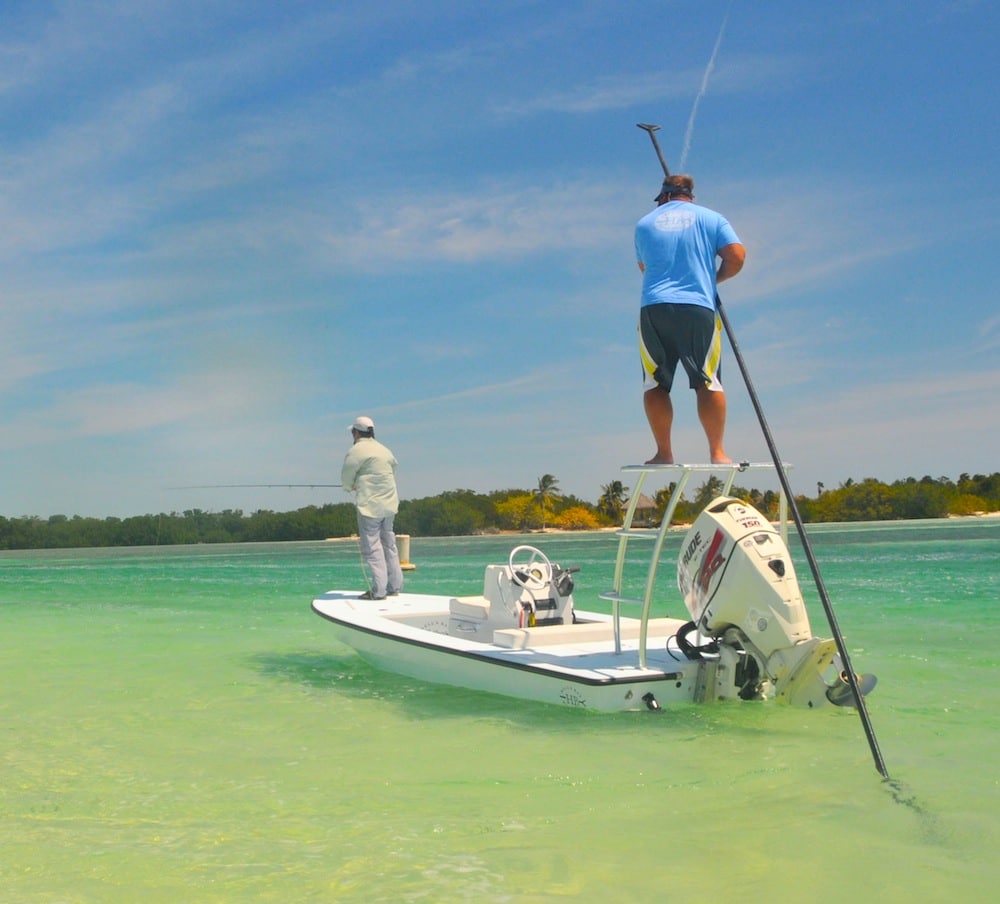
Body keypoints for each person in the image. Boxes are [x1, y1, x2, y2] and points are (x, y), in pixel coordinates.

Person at [634, 173, 746, 464]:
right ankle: (717, 453)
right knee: (708, 381)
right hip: (697, 306)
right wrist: (714, 279)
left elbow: (644, 267)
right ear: (690, 197)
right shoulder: (712, 218)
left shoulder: (644, 223)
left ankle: (664, 453)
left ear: (665, 196)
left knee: (655, 383)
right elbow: (736, 256)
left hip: (654, 307)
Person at [341, 415, 403, 600]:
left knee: (372, 547)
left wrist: (349, 487)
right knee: (389, 544)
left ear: (356, 432)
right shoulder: (384, 450)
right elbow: (394, 468)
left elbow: (347, 474)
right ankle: (395, 586)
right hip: (390, 505)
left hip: (370, 506)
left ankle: (379, 591)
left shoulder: (356, 451)